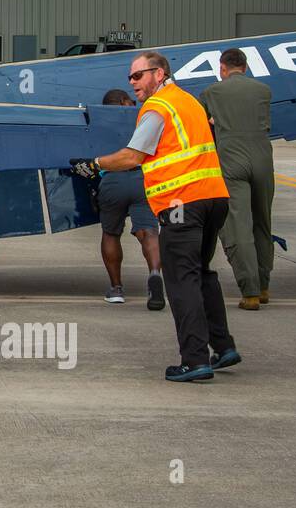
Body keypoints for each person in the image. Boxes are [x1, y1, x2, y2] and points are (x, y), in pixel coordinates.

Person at [71, 51, 238, 383]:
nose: (132, 83)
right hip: (213, 196)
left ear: (159, 74)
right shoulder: (188, 101)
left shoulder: (158, 108)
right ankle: (223, 347)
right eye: (130, 77)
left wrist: (95, 165)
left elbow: (133, 156)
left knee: (180, 279)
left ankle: (194, 360)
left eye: (138, 76)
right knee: (202, 273)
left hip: (181, 202)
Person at [201, 48, 275, 310]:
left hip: (231, 160)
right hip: (263, 159)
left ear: (223, 68)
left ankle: (250, 292)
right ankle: (264, 286)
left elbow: (204, 126)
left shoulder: (212, 93)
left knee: (237, 226)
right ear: (245, 67)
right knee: (262, 223)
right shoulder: (264, 90)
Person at [94, 88, 164, 309]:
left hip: (112, 182)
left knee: (111, 233)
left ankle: (116, 289)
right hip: (141, 180)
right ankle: (154, 275)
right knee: (149, 231)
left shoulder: (98, 125)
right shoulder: (143, 119)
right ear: (125, 102)